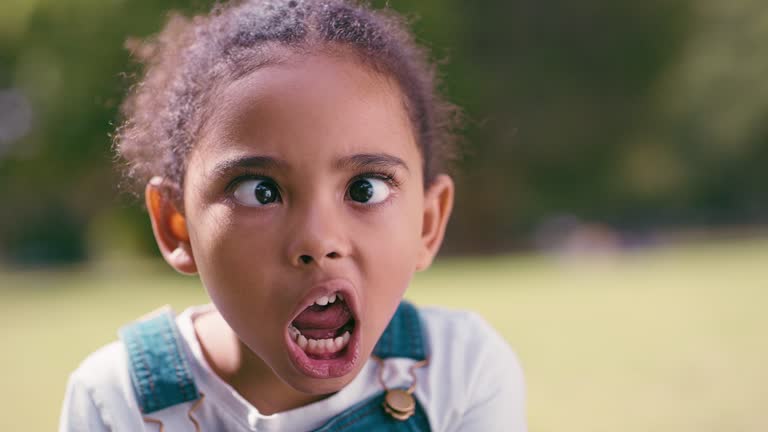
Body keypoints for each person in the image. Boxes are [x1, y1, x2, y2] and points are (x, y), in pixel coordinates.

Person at [59, 0, 526, 430]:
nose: (318, 240)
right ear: (176, 225)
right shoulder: (116, 402)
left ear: (427, 223)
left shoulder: (460, 373)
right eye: (260, 191)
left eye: (365, 188)